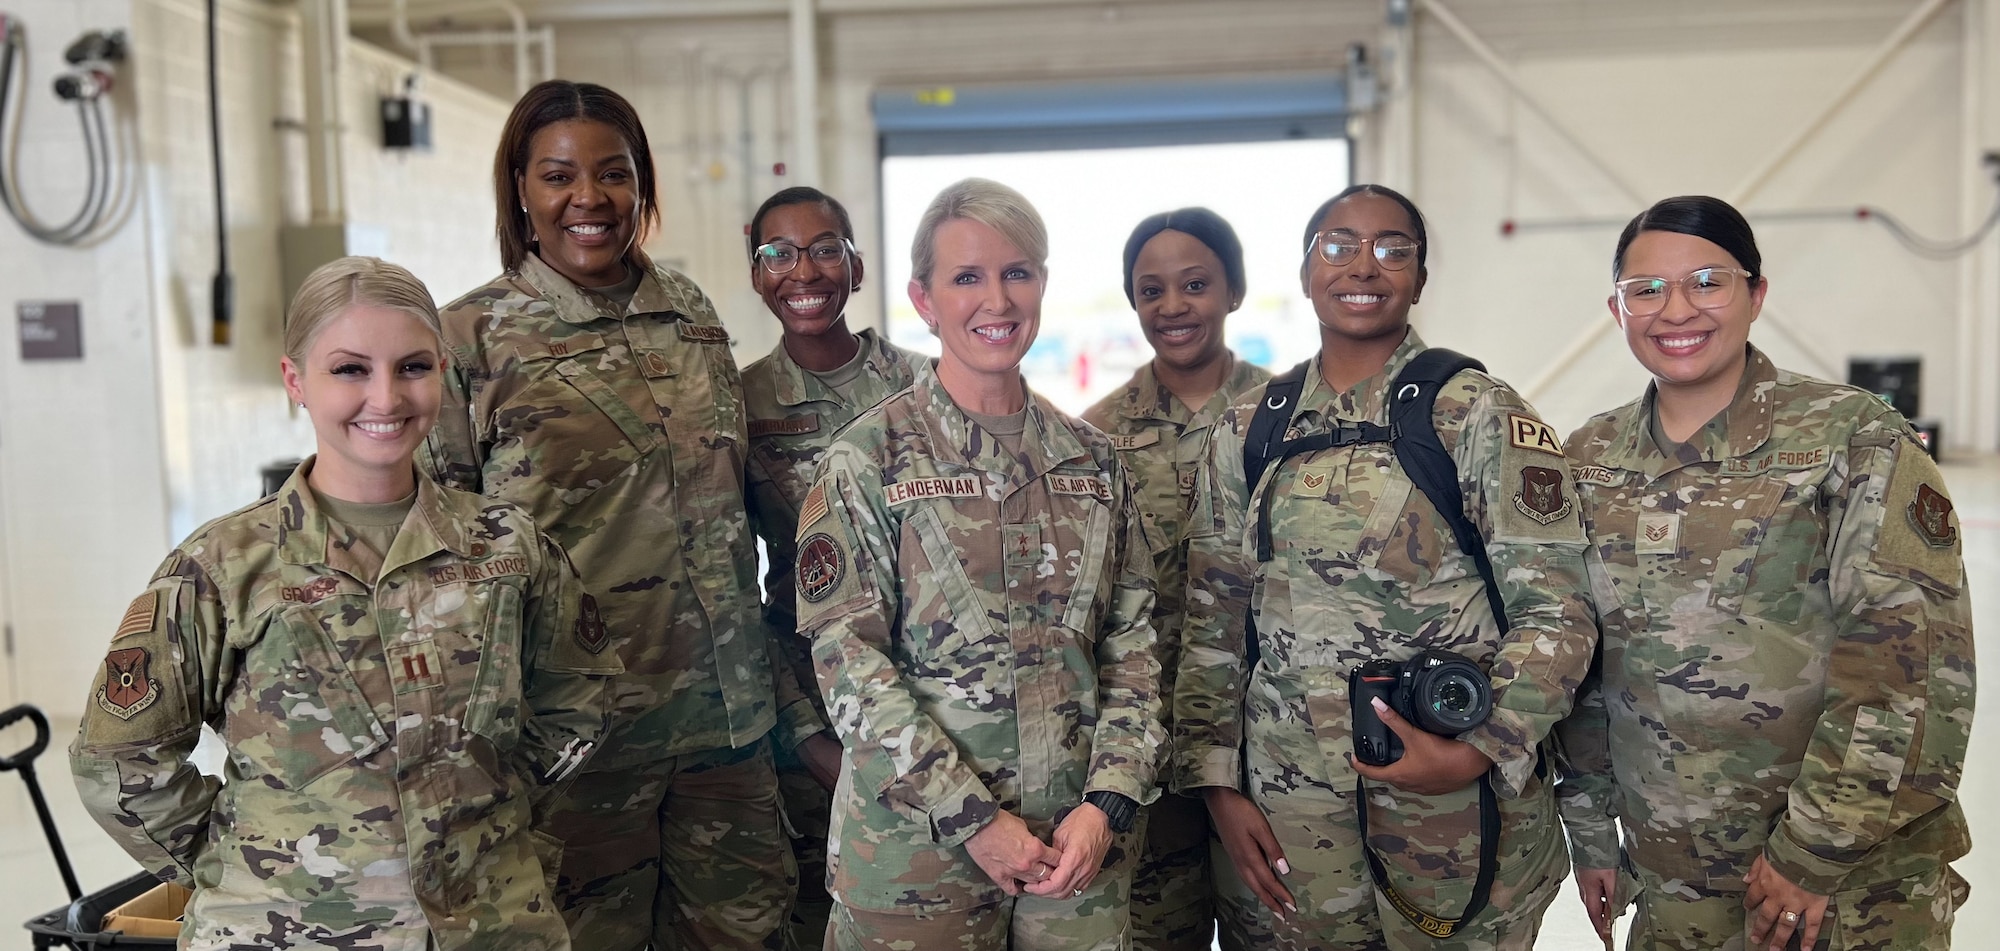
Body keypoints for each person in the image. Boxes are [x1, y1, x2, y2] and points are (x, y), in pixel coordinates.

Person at [70, 256, 618, 950]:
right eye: (350, 369)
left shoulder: (506, 548)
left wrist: (495, 827)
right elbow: (117, 762)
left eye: (413, 367)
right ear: (296, 379)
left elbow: (578, 697)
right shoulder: (223, 565)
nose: (385, 397)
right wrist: (237, 863)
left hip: (490, 926)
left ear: (444, 372)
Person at [1172, 184, 1597, 950]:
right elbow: (1214, 624)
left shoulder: (1477, 413)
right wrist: (1217, 787)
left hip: (1449, 804)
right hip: (1288, 813)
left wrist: (1479, 744)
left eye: (1392, 248)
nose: (1363, 265)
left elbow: (1558, 610)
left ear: (1420, 279)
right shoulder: (1248, 428)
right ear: (1305, 273)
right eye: (1338, 245)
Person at [420, 80, 793, 951]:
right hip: (579, 740)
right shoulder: (470, 337)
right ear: (521, 188)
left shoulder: (691, 313)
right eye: (558, 176)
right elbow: (444, 560)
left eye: (613, 174)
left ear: (642, 185)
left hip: (726, 727)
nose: (589, 199)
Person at [1556, 195, 1974, 951]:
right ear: (1617, 310)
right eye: (1645, 289)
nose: (1675, 309)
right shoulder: (1589, 459)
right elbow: (1579, 664)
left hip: (1841, 892)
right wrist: (1591, 830)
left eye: (1708, 282)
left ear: (1756, 294)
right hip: (1671, 882)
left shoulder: (1853, 438)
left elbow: (1908, 670)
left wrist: (1814, 852)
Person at [795, 177, 1166, 951]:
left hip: (1074, 858)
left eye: (1016, 272)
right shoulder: (866, 461)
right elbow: (849, 664)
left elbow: (1133, 649)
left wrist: (1109, 801)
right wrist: (974, 819)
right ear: (924, 300)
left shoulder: (1095, 464)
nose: (995, 300)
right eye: (967, 277)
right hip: (914, 863)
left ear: (1041, 285)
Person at [1080, 207, 1270, 951]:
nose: (1172, 306)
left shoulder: (1287, 416)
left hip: (1265, 752)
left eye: (1194, 284)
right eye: (1151, 290)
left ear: (1234, 290)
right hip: (1147, 755)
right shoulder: (1095, 438)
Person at [740, 185, 923, 948]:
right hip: (817, 718)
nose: (801, 270)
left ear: (856, 266)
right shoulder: (740, 405)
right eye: (777, 253)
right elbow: (728, 588)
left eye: (822, 249)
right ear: (756, 276)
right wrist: (811, 741)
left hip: (935, 701)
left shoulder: (928, 386)